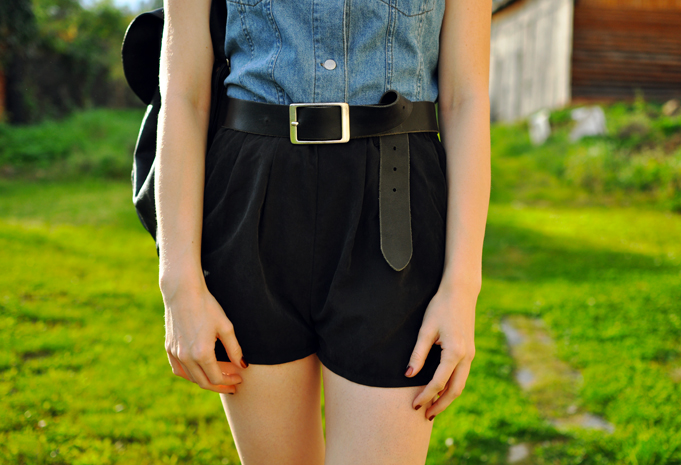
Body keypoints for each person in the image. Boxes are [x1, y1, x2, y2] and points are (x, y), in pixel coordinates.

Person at [156, 0, 491, 463]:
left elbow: (465, 99)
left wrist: (462, 289)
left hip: (395, 210)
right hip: (253, 203)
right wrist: (178, 284)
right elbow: (184, 94)